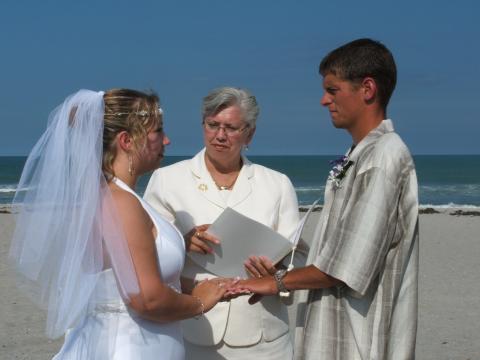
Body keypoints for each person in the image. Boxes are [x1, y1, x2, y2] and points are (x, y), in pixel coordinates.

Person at [9, 89, 232, 359]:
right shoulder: (121, 203)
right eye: (158, 131)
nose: (167, 140)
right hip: (129, 348)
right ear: (127, 141)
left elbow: (124, 269)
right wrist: (200, 301)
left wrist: (182, 254)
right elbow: (146, 299)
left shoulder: (108, 196)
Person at [234, 38, 419, 359]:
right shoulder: (361, 155)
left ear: (367, 89)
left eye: (333, 90)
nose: (323, 100)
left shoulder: (383, 158)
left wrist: (275, 282)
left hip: (358, 346)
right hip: (333, 338)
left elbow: (345, 267)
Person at [144, 86, 300, 359]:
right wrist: (183, 242)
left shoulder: (277, 184)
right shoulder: (167, 180)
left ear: (249, 133)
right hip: (195, 329)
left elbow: (296, 258)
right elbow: (146, 256)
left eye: (231, 127)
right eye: (212, 125)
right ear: (202, 125)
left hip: (264, 337)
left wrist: (275, 270)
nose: (219, 135)